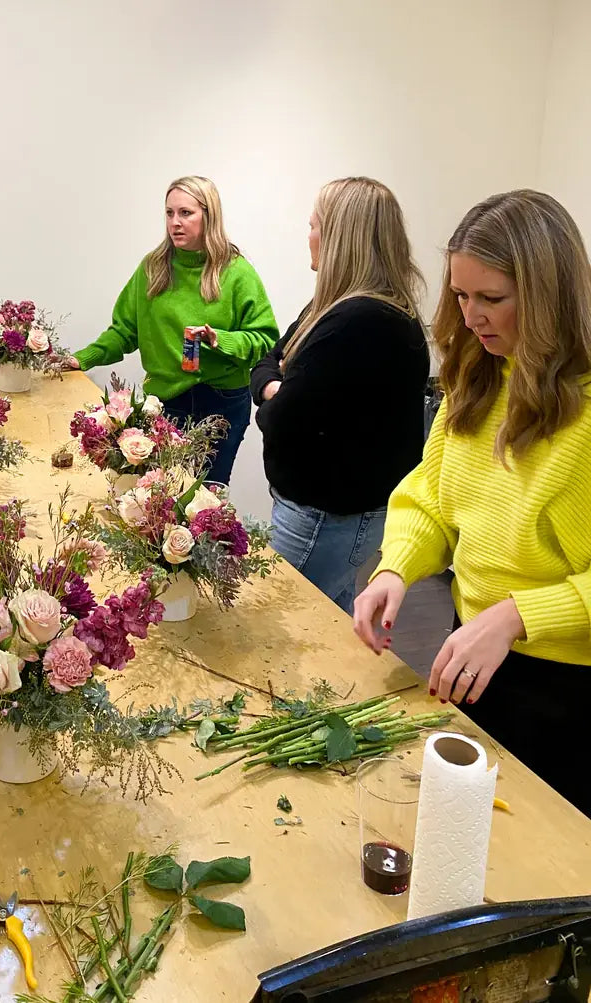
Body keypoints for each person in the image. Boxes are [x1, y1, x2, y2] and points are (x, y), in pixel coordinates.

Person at [353, 190, 591, 818]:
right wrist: (396, 566)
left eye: (492, 299)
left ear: (549, 298)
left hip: (566, 687)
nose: (471, 317)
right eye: (461, 296)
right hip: (475, 653)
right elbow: (430, 497)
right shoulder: (479, 377)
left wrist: (517, 616)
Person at [250, 177, 430, 614]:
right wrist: (277, 384)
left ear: (338, 238)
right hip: (329, 513)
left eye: (314, 225)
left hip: (325, 517)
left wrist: (276, 388)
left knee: (282, 627)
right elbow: (264, 364)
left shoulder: (359, 320)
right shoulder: (335, 308)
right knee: (328, 617)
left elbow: (278, 418)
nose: (307, 236)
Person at [66, 175, 278, 485]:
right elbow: (124, 331)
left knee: (205, 499)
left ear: (209, 215)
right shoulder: (153, 268)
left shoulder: (237, 273)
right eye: (169, 213)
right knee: (160, 497)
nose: (175, 222)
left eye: (186, 213)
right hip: (164, 403)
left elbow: (265, 340)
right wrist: (85, 358)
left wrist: (222, 340)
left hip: (221, 402)